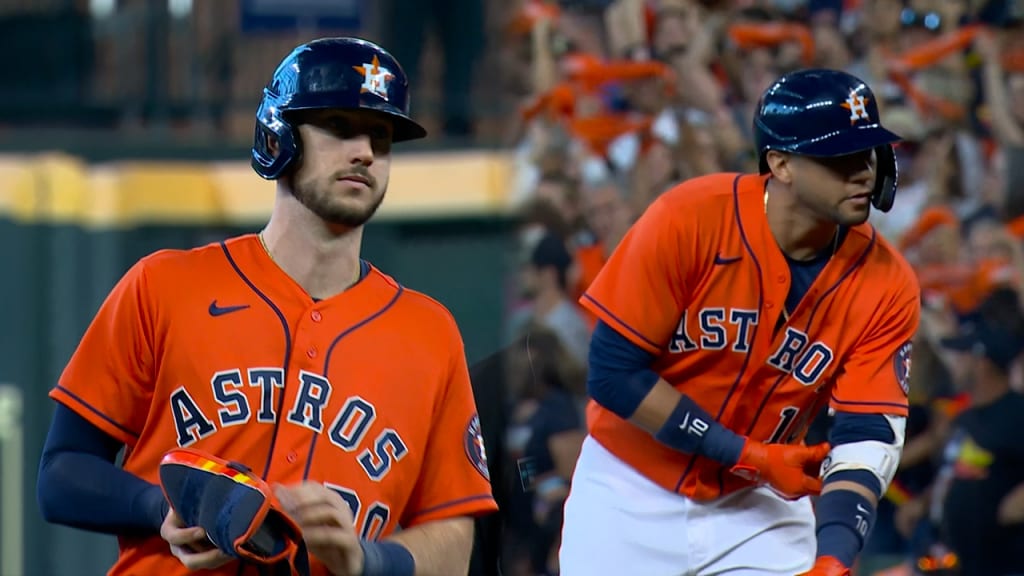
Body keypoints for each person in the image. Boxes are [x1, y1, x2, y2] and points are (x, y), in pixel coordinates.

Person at [36, 37, 498, 576]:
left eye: (381, 137)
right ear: (279, 137)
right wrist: (161, 509)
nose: (365, 152)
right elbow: (61, 473)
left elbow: (452, 541)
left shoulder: (429, 333)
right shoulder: (165, 286)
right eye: (339, 127)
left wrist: (365, 559)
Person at [558, 68, 921, 576]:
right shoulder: (691, 218)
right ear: (781, 163)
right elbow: (613, 372)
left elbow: (866, 432)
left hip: (761, 506)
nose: (863, 171)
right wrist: (748, 453)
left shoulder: (887, 283)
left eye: (869, 153)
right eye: (841, 157)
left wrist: (835, 556)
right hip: (629, 489)